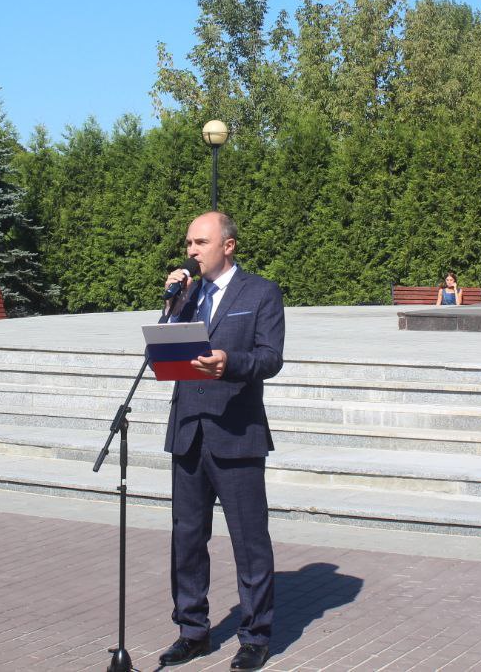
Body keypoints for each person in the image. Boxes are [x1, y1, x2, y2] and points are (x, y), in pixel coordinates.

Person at [156, 211, 285, 672]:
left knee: (249, 541)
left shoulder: (261, 292)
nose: (191, 251)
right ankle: (192, 631)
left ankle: (255, 636)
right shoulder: (185, 296)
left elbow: (270, 359)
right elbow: (163, 354)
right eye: (189, 242)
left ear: (227, 245)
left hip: (237, 432)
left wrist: (229, 362)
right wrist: (172, 306)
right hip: (189, 430)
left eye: (200, 242)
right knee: (186, 539)